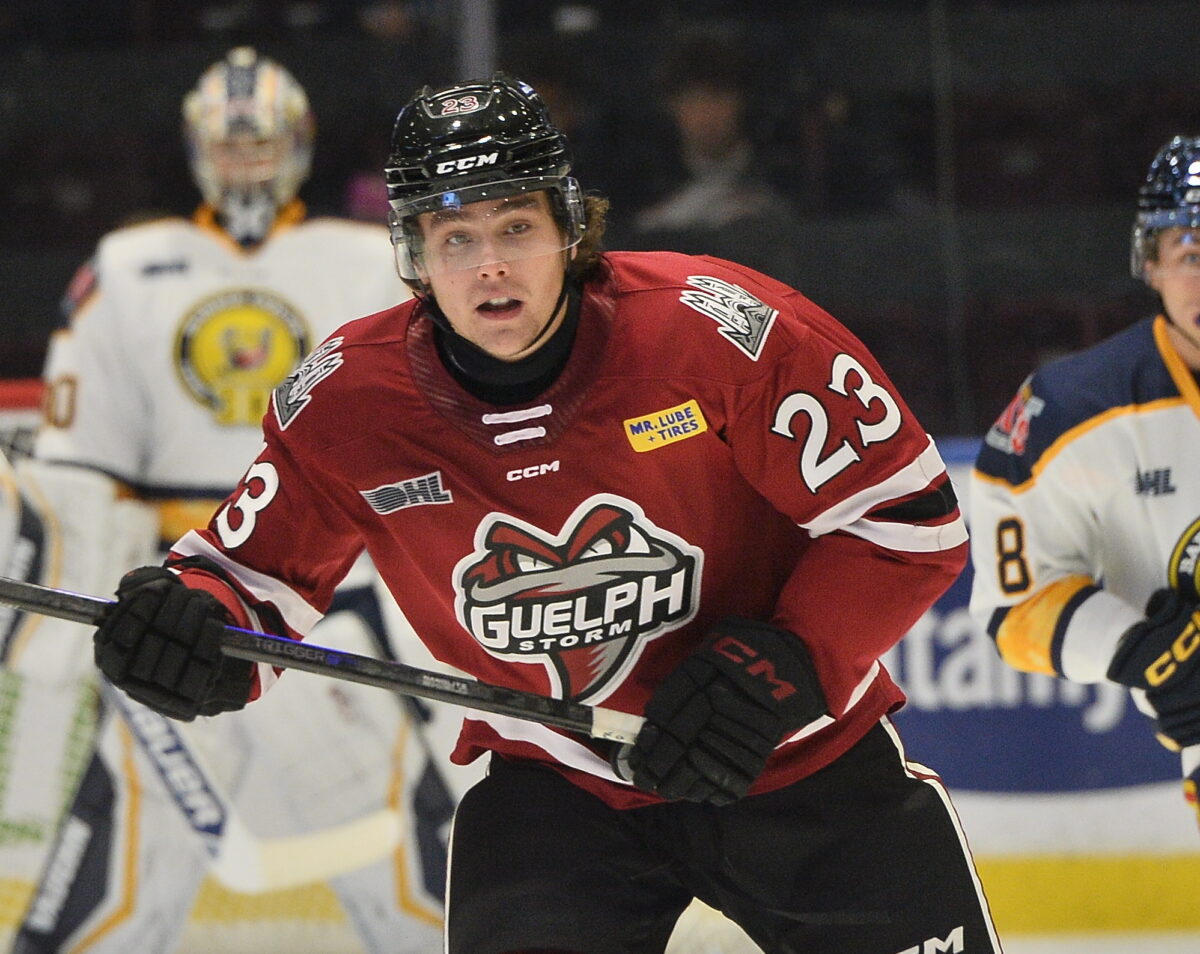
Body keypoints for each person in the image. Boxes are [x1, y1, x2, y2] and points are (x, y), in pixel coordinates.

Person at [84, 72, 1002, 954]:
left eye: (515, 226)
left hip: (797, 763)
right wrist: (191, 627)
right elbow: (246, 581)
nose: (489, 267)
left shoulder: (721, 331)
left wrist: (789, 661)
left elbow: (908, 521)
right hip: (559, 788)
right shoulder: (348, 404)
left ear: (570, 228)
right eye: (454, 238)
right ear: (410, 254)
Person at [6, 47, 459, 954]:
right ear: (195, 149)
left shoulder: (372, 263)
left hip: (331, 605)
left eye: (264, 144)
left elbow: (433, 442)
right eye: (230, 143)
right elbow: (79, 470)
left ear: (299, 145)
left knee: (417, 898)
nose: (247, 162)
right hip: (187, 596)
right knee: (116, 886)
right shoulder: (130, 267)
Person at [969, 134, 1200, 826]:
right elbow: (1017, 604)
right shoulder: (1072, 413)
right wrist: (1140, 651)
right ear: (1149, 264)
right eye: (1191, 255)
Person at [628, 30, 805, 286]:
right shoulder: (647, 183)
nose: (706, 112)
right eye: (692, 99)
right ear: (672, 106)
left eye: (718, 96)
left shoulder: (782, 176)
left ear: (742, 101)